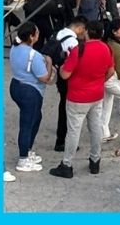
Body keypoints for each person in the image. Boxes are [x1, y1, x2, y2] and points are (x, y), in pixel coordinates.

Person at [49, 20, 114, 179]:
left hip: (77, 97)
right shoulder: (106, 48)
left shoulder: (79, 50)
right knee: (95, 127)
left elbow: (65, 74)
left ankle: (67, 164)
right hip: (96, 95)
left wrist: (62, 67)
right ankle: (95, 161)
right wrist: (99, 81)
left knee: (73, 131)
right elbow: (111, 71)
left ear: (87, 32)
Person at [9, 22, 54, 173]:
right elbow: (44, 78)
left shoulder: (15, 47)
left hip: (16, 85)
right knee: (27, 124)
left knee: (36, 118)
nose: (39, 35)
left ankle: (27, 151)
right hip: (30, 91)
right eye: (37, 33)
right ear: (31, 36)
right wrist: (49, 63)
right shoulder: (34, 56)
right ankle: (23, 159)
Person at [52, 17, 86, 152]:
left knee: (63, 106)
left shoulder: (60, 33)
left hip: (59, 74)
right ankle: (62, 141)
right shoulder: (72, 41)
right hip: (67, 77)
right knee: (68, 110)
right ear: (80, 28)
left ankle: (61, 138)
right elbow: (74, 61)